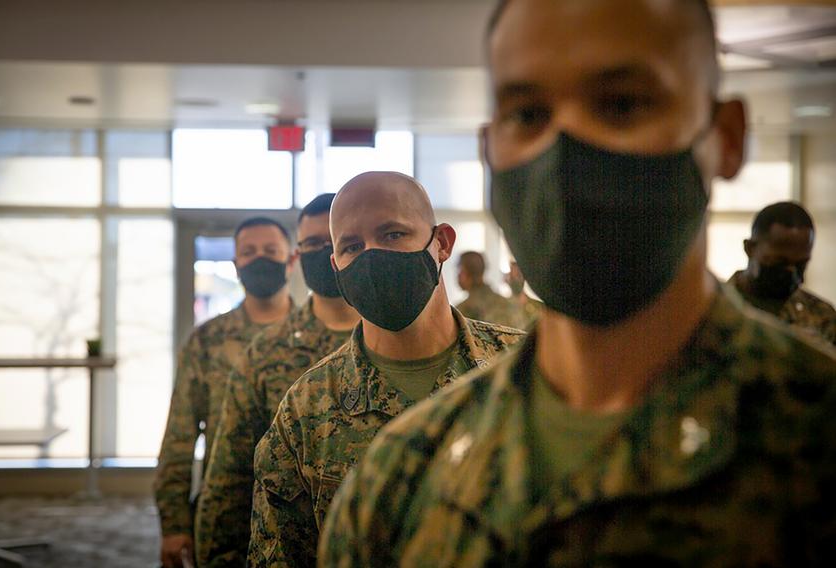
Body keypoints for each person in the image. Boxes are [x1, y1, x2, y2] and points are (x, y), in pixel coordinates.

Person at [319, 1, 836, 566]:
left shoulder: (814, 438)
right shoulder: (404, 476)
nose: (564, 151)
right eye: (527, 114)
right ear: (489, 149)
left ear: (726, 137)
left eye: (621, 105)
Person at [247, 172, 525, 567]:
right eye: (352, 246)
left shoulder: (523, 367)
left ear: (442, 243)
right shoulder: (306, 410)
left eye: (393, 234)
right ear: (336, 266)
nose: (371, 256)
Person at [194, 194, 361, 567]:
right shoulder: (265, 352)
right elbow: (230, 474)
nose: (325, 253)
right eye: (313, 244)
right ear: (299, 256)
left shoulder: (392, 342)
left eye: (334, 243)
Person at [154, 217, 295, 568]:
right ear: (236, 265)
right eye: (249, 252)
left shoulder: (316, 338)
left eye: (270, 251)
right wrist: (173, 524)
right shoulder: (208, 341)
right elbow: (180, 434)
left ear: (291, 261)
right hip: (225, 513)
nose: (260, 259)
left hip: (299, 517)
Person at [730, 201, 836, 346]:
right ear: (750, 248)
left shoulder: (821, 316)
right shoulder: (713, 306)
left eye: (800, 264)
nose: (791, 272)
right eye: (780, 261)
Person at [456, 251, 531, 329]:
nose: (458, 275)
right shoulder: (508, 303)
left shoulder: (462, 312)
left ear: (465, 271)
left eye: (459, 269)